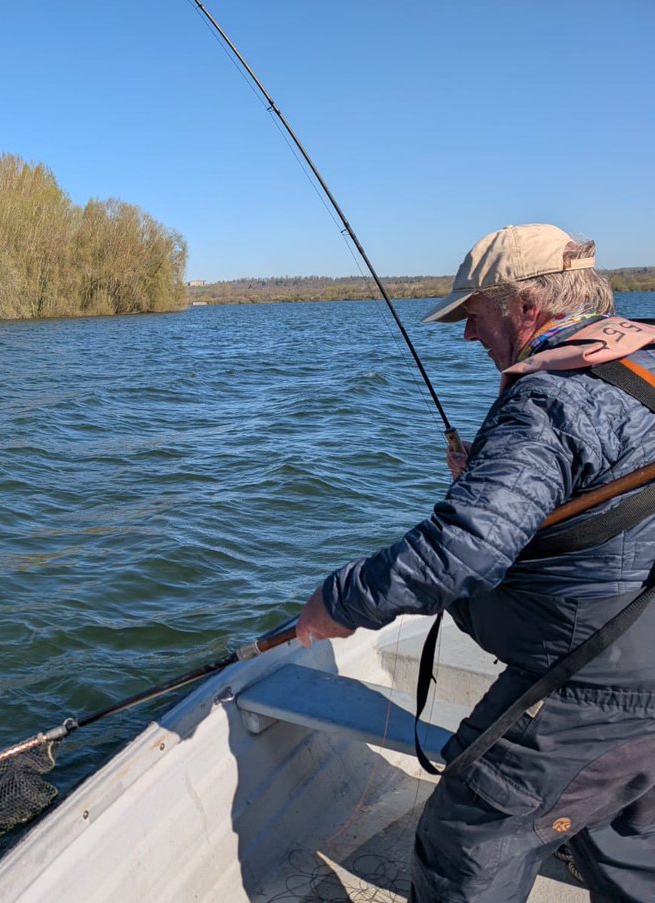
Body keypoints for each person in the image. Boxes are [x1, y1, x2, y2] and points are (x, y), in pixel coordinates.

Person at [296, 223, 655, 902]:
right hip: (640, 670)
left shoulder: (551, 398)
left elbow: (464, 548)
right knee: (631, 848)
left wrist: (340, 599)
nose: (467, 334)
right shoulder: (640, 358)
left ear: (526, 305)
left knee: (465, 841)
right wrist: (507, 482)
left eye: (475, 314)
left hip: (593, 683)